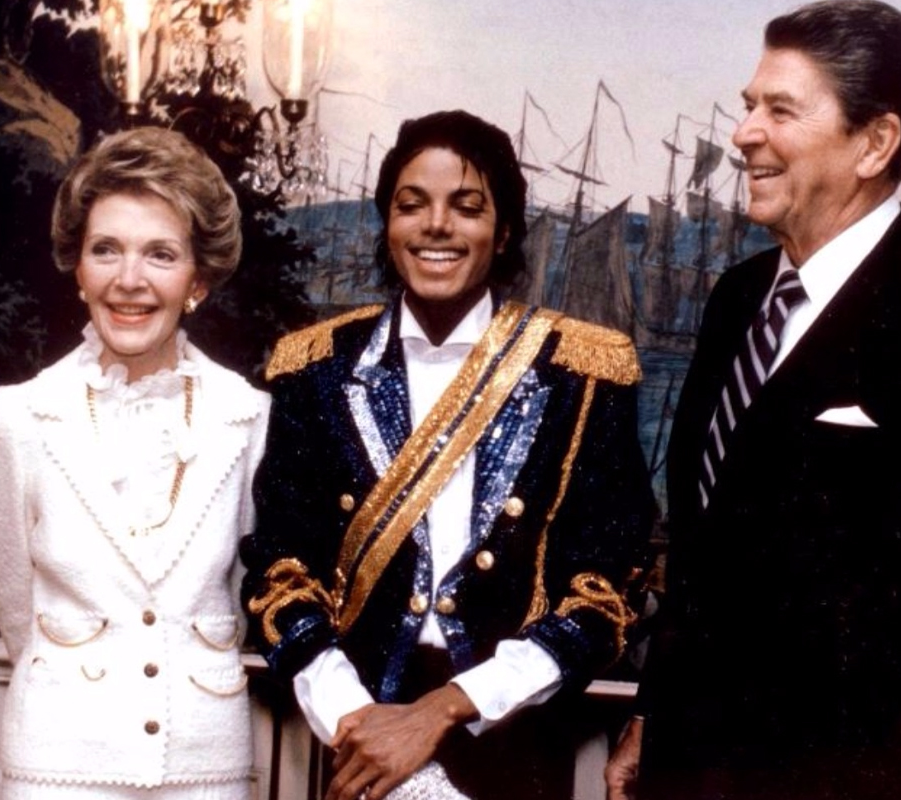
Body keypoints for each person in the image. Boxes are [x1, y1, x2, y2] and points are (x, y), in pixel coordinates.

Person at [606, 3, 901, 799]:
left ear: (874, 143)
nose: (744, 134)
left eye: (780, 110)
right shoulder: (737, 298)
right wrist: (653, 713)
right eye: (749, 106)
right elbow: (703, 550)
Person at [241, 109, 656, 800]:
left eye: (466, 207)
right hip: (354, 737)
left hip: (514, 736)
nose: (437, 225)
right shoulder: (315, 369)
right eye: (412, 205)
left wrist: (445, 709)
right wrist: (358, 723)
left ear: (505, 231)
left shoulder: (582, 375)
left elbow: (607, 591)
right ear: (387, 224)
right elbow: (280, 574)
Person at [0, 126, 270, 800]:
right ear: (78, 269)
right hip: (56, 763)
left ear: (198, 279)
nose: (128, 280)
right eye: (106, 249)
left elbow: (238, 595)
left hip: (205, 763)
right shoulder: (21, 418)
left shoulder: (248, 417)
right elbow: (17, 611)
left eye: (160, 254)